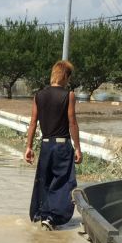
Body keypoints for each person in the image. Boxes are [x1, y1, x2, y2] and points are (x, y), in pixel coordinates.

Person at [24, 60, 83, 230]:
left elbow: (33, 123)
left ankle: (42, 214)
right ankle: (52, 217)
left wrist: (28, 147)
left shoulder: (39, 95)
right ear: (65, 76)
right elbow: (72, 123)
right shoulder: (68, 95)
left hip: (45, 145)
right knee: (64, 182)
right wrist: (77, 148)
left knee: (45, 180)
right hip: (62, 146)